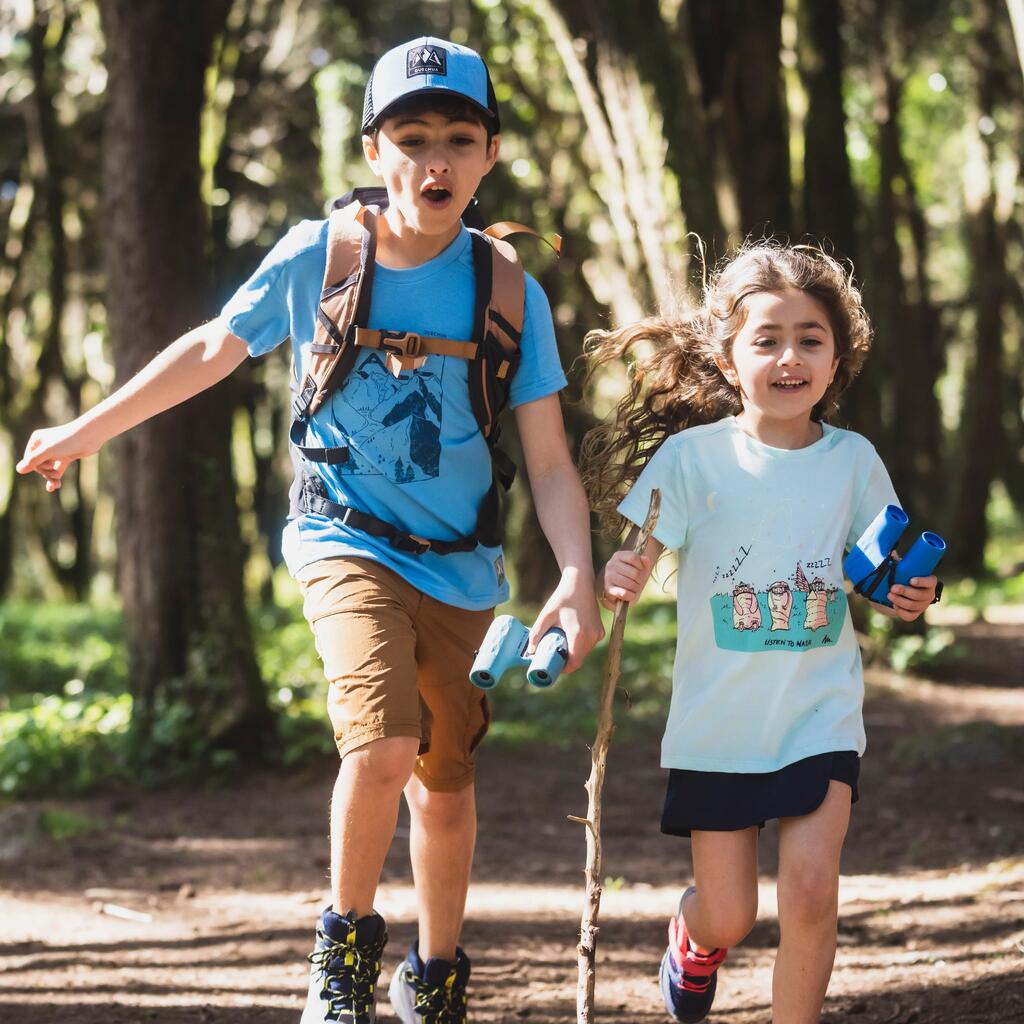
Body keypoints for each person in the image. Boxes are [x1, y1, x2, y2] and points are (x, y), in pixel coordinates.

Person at [17, 35, 603, 1024]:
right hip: (344, 540)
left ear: (490, 156)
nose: (435, 161)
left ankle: (437, 974)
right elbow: (211, 347)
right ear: (373, 151)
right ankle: (342, 957)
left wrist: (577, 577)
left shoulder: (510, 291)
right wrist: (85, 431)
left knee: (443, 787)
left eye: (459, 140)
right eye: (411, 138)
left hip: (461, 567)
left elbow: (548, 462)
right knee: (381, 744)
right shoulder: (320, 256)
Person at [581, 241, 938, 1024]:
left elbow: (881, 570)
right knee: (731, 913)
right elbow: (636, 554)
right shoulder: (691, 459)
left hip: (819, 715)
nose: (789, 358)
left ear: (837, 357)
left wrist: (912, 593)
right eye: (767, 339)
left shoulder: (854, 461)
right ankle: (695, 935)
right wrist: (620, 573)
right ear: (727, 357)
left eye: (810, 339)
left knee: (809, 894)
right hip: (719, 724)